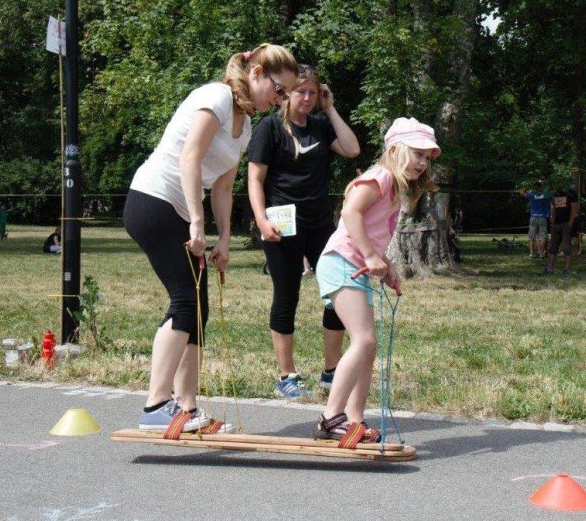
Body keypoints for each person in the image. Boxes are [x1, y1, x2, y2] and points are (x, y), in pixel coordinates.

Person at [123, 44, 298, 433]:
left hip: (180, 212)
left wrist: (223, 239)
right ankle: (155, 405)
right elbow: (190, 157)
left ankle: (187, 409)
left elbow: (223, 188)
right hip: (153, 202)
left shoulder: (245, 124)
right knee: (184, 299)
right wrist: (197, 224)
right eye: (279, 89)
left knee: (197, 308)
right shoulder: (215, 96)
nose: (280, 99)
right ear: (256, 73)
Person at [313, 117, 439, 442]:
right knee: (364, 341)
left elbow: (373, 231)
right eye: (417, 153)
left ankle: (353, 420)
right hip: (342, 261)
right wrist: (371, 257)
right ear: (396, 149)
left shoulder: (395, 188)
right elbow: (350, 213)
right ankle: (331, 418)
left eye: (428, 158)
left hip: (355, 266)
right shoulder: (380, 176)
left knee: (368, 348)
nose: (423, 163)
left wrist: (386, 265)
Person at [248, 64, 360, 399]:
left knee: (336, 293)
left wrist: (330, 107)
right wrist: (262, 221)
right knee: (287, 295)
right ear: (286, 93)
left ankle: (331, 370)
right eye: (301, 92)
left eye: (313, 92)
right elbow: (254, 179)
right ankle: (286, 375)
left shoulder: (322, 126)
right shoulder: (269, 127)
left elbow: (352, 149)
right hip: (281, 222)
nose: (307, 98)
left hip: (320, 222)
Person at [544, 185, 578, 274]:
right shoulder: (553, 194)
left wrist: (570, 223)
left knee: (566, 247)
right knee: (552, 247)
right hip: (556, 225)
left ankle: (566, 269)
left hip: (566, 224)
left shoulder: (571, 192)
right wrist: (552, 223)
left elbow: (574, 209)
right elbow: (553, 208)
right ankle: (549, 268)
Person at [520, 180, 551, 258]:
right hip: (542, 218)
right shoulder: (546, 193)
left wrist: (527, 187)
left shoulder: (531, 193)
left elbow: (521, 192)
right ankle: (541, 253)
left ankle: (531, 254)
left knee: (532, 237)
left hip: (533, 217)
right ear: (542, 186)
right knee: (543, 237)